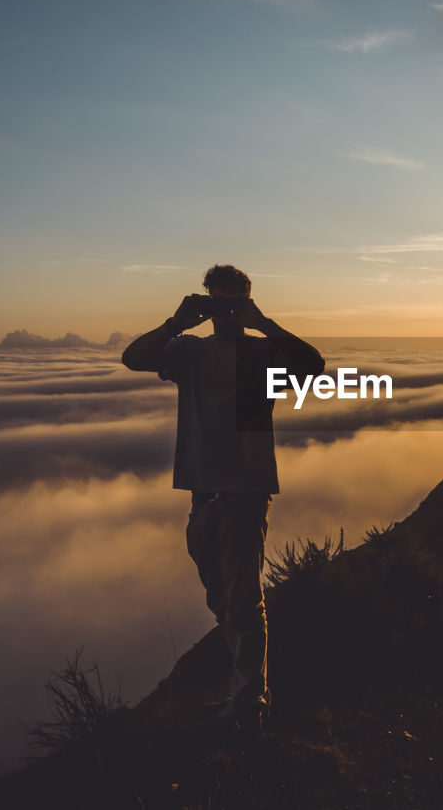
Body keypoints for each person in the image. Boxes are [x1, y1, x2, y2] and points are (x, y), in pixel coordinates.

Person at [121, 264, 324, 737]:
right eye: (220, 302)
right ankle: (244, 688)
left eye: (235, 302)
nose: (228, 312)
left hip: (245, 487)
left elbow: (313, 366)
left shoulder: (263, 353)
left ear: (248, 301)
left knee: (242, 597)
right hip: (202, 488)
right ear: (209, 303)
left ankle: (250, 700)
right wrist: (177, 321)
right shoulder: (188, 352)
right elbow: (133, 358)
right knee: (221, 595)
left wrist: (263, 323)